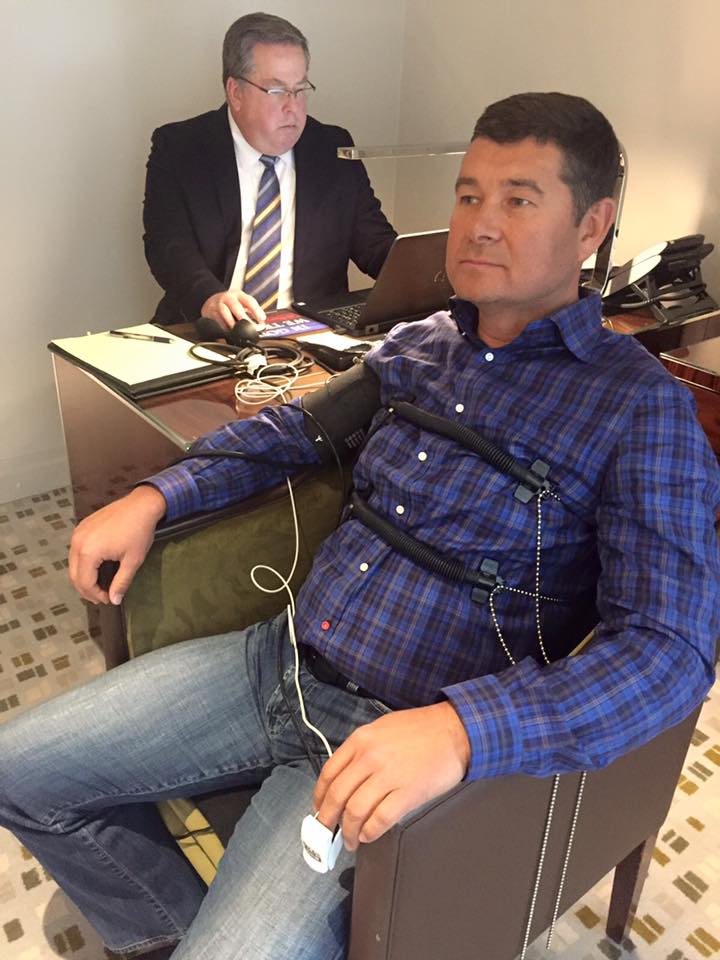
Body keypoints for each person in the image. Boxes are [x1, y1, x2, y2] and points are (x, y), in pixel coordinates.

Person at [2, 92, 719, 960]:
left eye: (518, 199)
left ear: (592, 225)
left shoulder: (637, 408)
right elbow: (290, 432)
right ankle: (167, 932)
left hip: (381, 737)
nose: (479, 223)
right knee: (18, 772)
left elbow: (670, 651)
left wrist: (462, 730)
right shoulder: (419, 345)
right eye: (468, 195)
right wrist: (156, 496)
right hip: (272, 662)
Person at [143, 11, 396, 331]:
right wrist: (209, 298)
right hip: (210, 331)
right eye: (277, 91)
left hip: (312, 334)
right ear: (235, 92)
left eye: (300, 89)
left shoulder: (332, 148)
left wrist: (431, 271)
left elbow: (374, 244)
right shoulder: (181, 148)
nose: (293, 107)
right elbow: (168, 246)